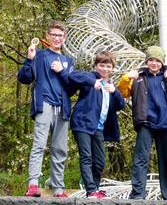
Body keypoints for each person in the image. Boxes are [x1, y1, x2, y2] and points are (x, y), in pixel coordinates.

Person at [117, 45, 167, 200]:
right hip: (145, 123)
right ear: (146, 61)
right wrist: (126, 78)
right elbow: (121, 93)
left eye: (157, 60)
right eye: (150, 60)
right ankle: (137, 194)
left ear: (162, 62)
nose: (154, 63)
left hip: (166, 124)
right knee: (140, 160)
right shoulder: (138, 76)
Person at [17, 20, 76, 198]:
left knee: (60, 150)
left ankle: (58, 189)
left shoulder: (68, 61)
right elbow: (24, 78)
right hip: (44, 106)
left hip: (63, 109)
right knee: (39, 145)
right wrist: (29, 59)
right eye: (54, 35)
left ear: (64, 38)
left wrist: (62, 71)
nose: (57, 38)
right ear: (47, 36)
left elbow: (72, 88)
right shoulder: (39, 55)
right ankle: (33, 185)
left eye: (60, 35)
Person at [69, 50, 125, 199]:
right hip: (82, 124)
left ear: (112, 68)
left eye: (108, 66)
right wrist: (92, 82)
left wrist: (115, 92)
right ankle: (91, 191)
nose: (105, 69)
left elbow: (121, 105)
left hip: (98, 128)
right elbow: (72, 76)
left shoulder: (110, 85)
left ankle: (95, 189)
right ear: (96, 65)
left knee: (100, 161)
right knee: (86, 157)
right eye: (102, 65)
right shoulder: (90, 77)